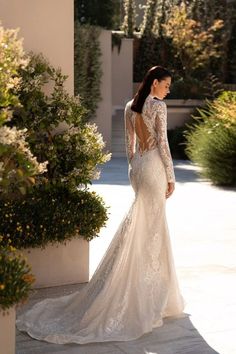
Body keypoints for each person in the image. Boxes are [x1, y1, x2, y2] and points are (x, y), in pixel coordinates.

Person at [16, 65, 185, 345]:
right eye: (166, 85)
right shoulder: (157, 106)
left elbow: (129, 146)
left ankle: (146, 289)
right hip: (154, 167)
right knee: (152, 228)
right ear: (155, 83)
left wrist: (134, 166)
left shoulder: (131, 105)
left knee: (143, 225)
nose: (168, 90)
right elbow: (164, 144)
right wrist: (171, 176)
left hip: (140, 168)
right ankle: (152, 295)